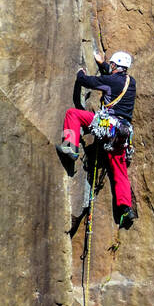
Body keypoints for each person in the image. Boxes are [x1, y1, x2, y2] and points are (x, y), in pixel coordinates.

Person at [57, 51, 137, 229]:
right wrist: (103, 65)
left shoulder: (110, 82)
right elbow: (114, 77)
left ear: (116, 66)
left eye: (112, 65)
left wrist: (80, 73)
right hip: (122, 134)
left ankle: (70, 146)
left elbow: (88, 82)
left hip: (107, 127)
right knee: (120, 172)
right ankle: (125, 209)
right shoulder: (131, 83)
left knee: (73, 114)